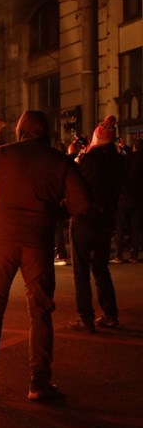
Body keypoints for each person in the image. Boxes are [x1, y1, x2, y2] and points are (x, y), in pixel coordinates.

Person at [0, 110, 89, 401]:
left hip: (2, 240)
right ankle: (38, 383)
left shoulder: (2, 154)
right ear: (46, 132)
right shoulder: (60, 161)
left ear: (21, 131)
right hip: (38, 243)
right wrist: (54, 211)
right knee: (41, 311)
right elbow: (81, 204)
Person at [68, 116, 127, 332]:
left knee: (81, 270)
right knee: (101, 267)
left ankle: (85, 317)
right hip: (106, 220)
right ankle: (110, 314)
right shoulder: (119, 161)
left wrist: (72, 156)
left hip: (85, 219)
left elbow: (74, 183)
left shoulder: (89, 161)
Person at [113, 139, 143, 264]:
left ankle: (119, 254)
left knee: (120, 225)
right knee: (136, 227)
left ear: (134, 147)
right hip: (139, 197)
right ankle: (134, 255)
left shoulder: (127, 159)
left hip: (125, 196)